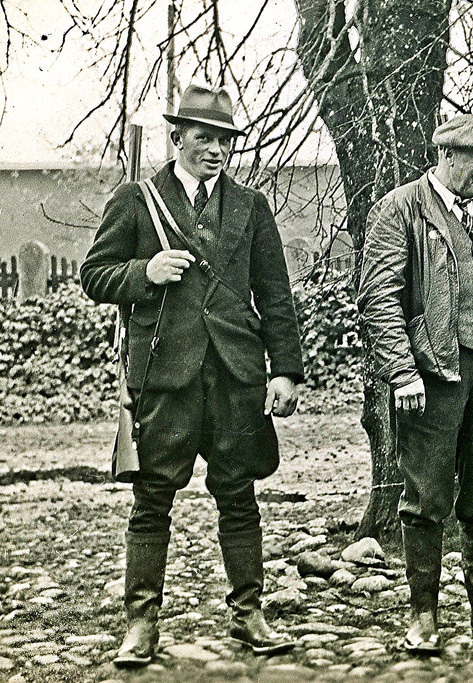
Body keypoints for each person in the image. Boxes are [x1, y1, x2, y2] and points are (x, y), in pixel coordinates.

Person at [80, 83, 304, 668]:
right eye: (203, 138)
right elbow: (94, 275)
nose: (215, 150)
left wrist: (285, 370)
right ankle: (141, 623)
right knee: (152, 499)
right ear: (176, 137)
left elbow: (276, 296)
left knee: (238, 495)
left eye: (224, 140)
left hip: (235, 376)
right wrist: (144, 271)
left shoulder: (252, 206)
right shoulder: (136, 200)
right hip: (162, 375)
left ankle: (249, 613)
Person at [357, 114, 473, 655]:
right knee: (426, 499)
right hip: (432, 376)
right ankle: (424, 618)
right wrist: (402, 372)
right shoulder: (400, 208)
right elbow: (379, 299)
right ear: (449, 156)